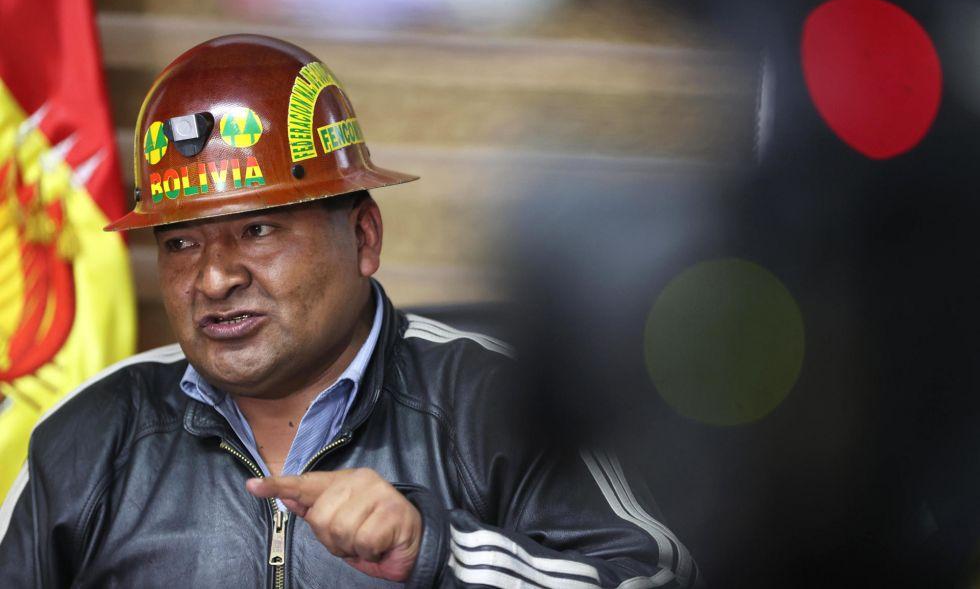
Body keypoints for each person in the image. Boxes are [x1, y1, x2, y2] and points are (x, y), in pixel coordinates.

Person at [0, 35, 700, 588]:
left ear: (364, 237)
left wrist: (441, 552)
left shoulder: (499, 404)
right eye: (180, 243)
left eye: (258, 230)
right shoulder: (91, 434)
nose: (213, 278)